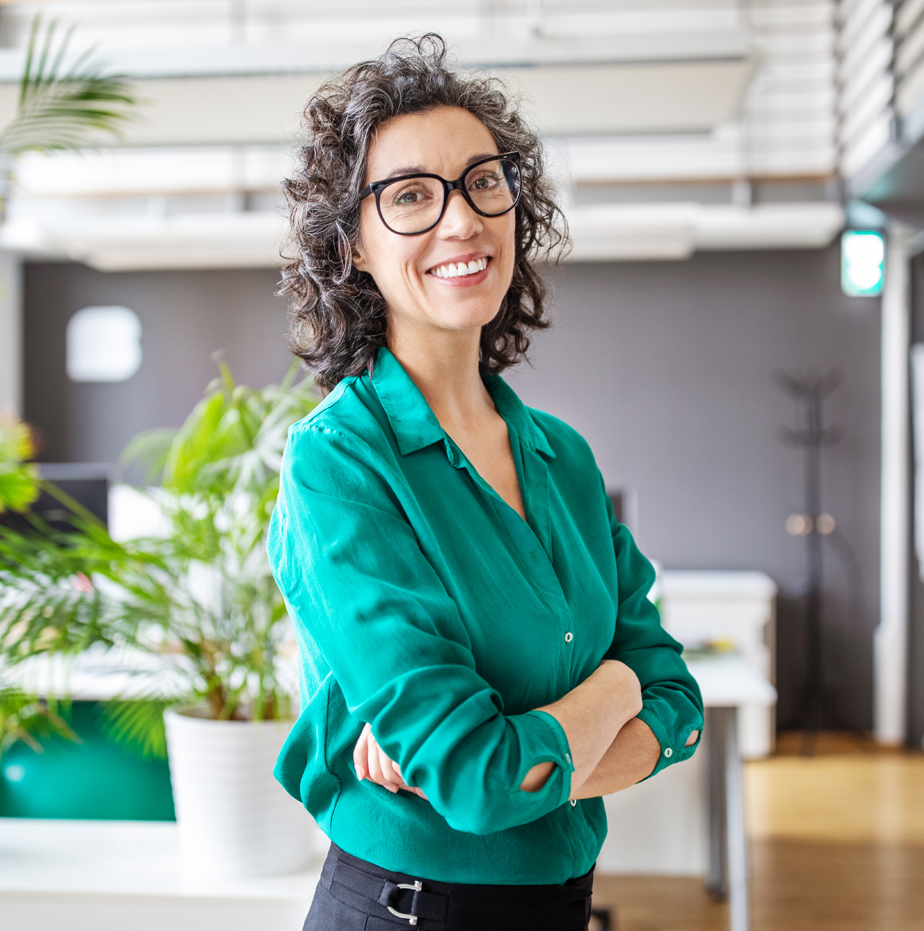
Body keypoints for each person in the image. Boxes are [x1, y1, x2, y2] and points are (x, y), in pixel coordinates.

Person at [267, 34, 704, 931]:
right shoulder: (340, 463)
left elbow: (678, 700)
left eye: (483, 182)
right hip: (408, 912)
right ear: (353, 244)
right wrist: (615, 691)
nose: (461, 220)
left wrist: (527, 753)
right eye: (411, 196)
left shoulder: (563, 457)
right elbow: (481, 778)